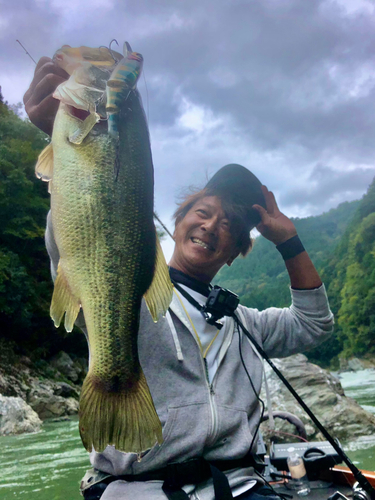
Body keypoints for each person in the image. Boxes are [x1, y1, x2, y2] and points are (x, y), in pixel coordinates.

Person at [24, 57, 334, 500]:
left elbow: (314, 324)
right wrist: (64, 151)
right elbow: (82, 237)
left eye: (228, 225)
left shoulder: (243, 322)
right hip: (139, 491)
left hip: (242, 488)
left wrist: (289, 241)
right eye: (202, 213)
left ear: (234, 255)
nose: (211, 226)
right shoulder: (126, 286)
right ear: (179, 221)